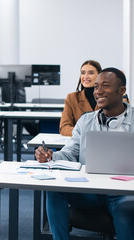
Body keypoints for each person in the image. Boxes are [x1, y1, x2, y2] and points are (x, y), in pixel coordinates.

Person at [35, 67, 134, 240]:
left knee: (126, 210)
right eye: (96, 87)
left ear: (122, 91)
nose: (98, 91)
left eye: (105, 86)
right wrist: (51, 156)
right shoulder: (86, 120)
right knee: (54, 190)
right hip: (90, 189)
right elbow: (71, 151)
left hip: (124, 194)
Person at [60, 60, 129, 136]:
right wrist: (85, 133)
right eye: (83, 73)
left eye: (91, 73)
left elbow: (126, 121)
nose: (85, 77)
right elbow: (64, 127)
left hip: (107, 141)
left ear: (100, 76)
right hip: (81, 141)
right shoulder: (72, 98)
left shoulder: (110, 97)